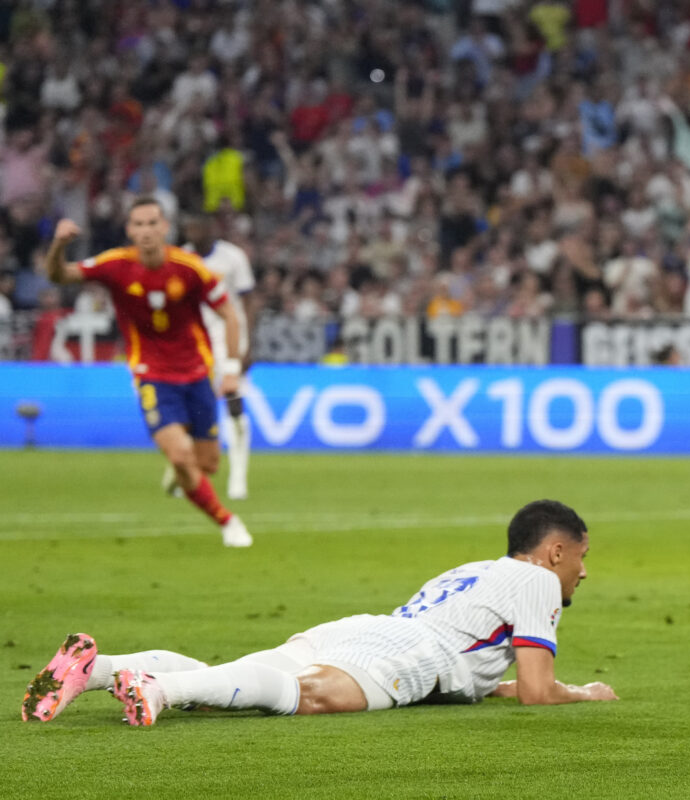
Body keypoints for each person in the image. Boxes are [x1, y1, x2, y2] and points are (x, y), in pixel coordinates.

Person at [21, 500, 618, 726]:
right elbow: (540, 692)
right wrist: (586, 693)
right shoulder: (536, 580)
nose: (583, 572)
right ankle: (156, 691)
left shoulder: (471, 571)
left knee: (243, 678)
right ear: (556, 550)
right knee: (307, 697)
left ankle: (97, 669)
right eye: (581, 557)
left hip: (365, 630)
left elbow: (486, 674)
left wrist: (501, 686)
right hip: (412, 654)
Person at [42, 196, 252, 548]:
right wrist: (59, 244)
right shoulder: (115, 265)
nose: (145, 231)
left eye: (152, 223)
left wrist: (230, 370)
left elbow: (230, 314)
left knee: (207, 464)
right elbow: (59, 275)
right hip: (151, 374)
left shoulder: (190, 268)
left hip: (197, 373)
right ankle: (227, 521)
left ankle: (179, 474)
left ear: (165, 227)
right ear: (129, 230)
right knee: (183, 456)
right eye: (138, 225)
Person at [181, 213, 256, 500]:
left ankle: (238, 477)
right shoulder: (182, 258)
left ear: (212, 227)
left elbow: (249, 301)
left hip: (230, 338)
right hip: (196, 342)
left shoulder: (233, 257)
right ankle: (187, 472)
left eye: (198, 225)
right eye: (189, 226)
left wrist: (248, 345)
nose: (193, 231)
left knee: (234, 404)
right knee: (196, 409)